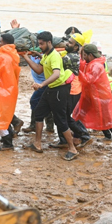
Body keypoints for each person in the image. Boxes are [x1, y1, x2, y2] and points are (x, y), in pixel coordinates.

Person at [22, 31, 79, 161]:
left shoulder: (54, 56)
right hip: (51, 88)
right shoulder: (46, 55)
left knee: (60, 119)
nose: (40, 46)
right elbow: (39, 69)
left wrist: (42, 85)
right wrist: (26, 58)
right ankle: (37, 144)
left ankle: (72, 148)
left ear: (49, 42)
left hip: (60, 89)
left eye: (42, 44)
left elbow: (56, 74)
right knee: (39, 112)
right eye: (39, 44)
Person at [74, 43, 112, 149]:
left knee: (107, 121)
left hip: (100, 98)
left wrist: (77, 71)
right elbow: (83, 65)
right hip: (91, 96)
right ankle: (77, 138)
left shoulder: (96, 66)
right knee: (78, 115)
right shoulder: (93, 63)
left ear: (90, 55)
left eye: (85, 55)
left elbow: (89, 80)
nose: (83, 58)